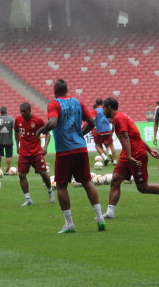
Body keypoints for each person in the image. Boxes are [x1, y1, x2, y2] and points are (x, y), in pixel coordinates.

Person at [35, 79, 105, 233]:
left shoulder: (54, 104)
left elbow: (52, 123)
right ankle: (100, 218)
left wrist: (41, 130)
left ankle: (69, 224)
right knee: (87, 182)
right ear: (67, 89)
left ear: (55, 91)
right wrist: (81, 134)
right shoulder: (77, 102)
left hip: (65, 151)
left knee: (61, 185)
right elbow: (92, 122)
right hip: (81, 148)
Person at [101, 98, 159, 219]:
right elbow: (135, 136)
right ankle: (110, 212)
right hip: (127, 154)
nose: (103, 110)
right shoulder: (118, 118)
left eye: (104, 108)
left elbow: (126, 137)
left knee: (143, 188)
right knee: (116, 179)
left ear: (109, 108)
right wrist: (149, 150)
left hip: (136, 154)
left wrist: (130, 155)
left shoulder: (119, 118)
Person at [14, 102, 55, 206]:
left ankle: (50, 191)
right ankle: (28, 199)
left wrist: (45, 146)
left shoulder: (38, 120)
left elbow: (47, 133)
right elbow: (16, 132)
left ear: (30, 110)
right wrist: (17, 145)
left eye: (24, 111)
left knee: (43, 173)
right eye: (21, 111)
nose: (22, 113)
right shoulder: (18, 120)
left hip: (36, 152)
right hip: (23, 153)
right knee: (21, 175)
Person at [92, 98, 117, 166]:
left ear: (96, 104)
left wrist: (93, 129)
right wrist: (113, 129)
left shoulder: (95, 111)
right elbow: (112, 120)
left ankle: (105, 158)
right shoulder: (106, 110)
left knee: (97, 145)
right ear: (102, 103)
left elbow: (93, 120)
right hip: (108, 130)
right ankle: (114, 161)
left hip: (99, 131)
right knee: (111, 145)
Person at [0, 107, 15, 175]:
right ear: (6, 111)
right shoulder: (11, 119)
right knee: (8, 155)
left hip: (0, 141)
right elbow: (16, 129)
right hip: (9, 141)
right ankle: (7, 170)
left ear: (0, 112)